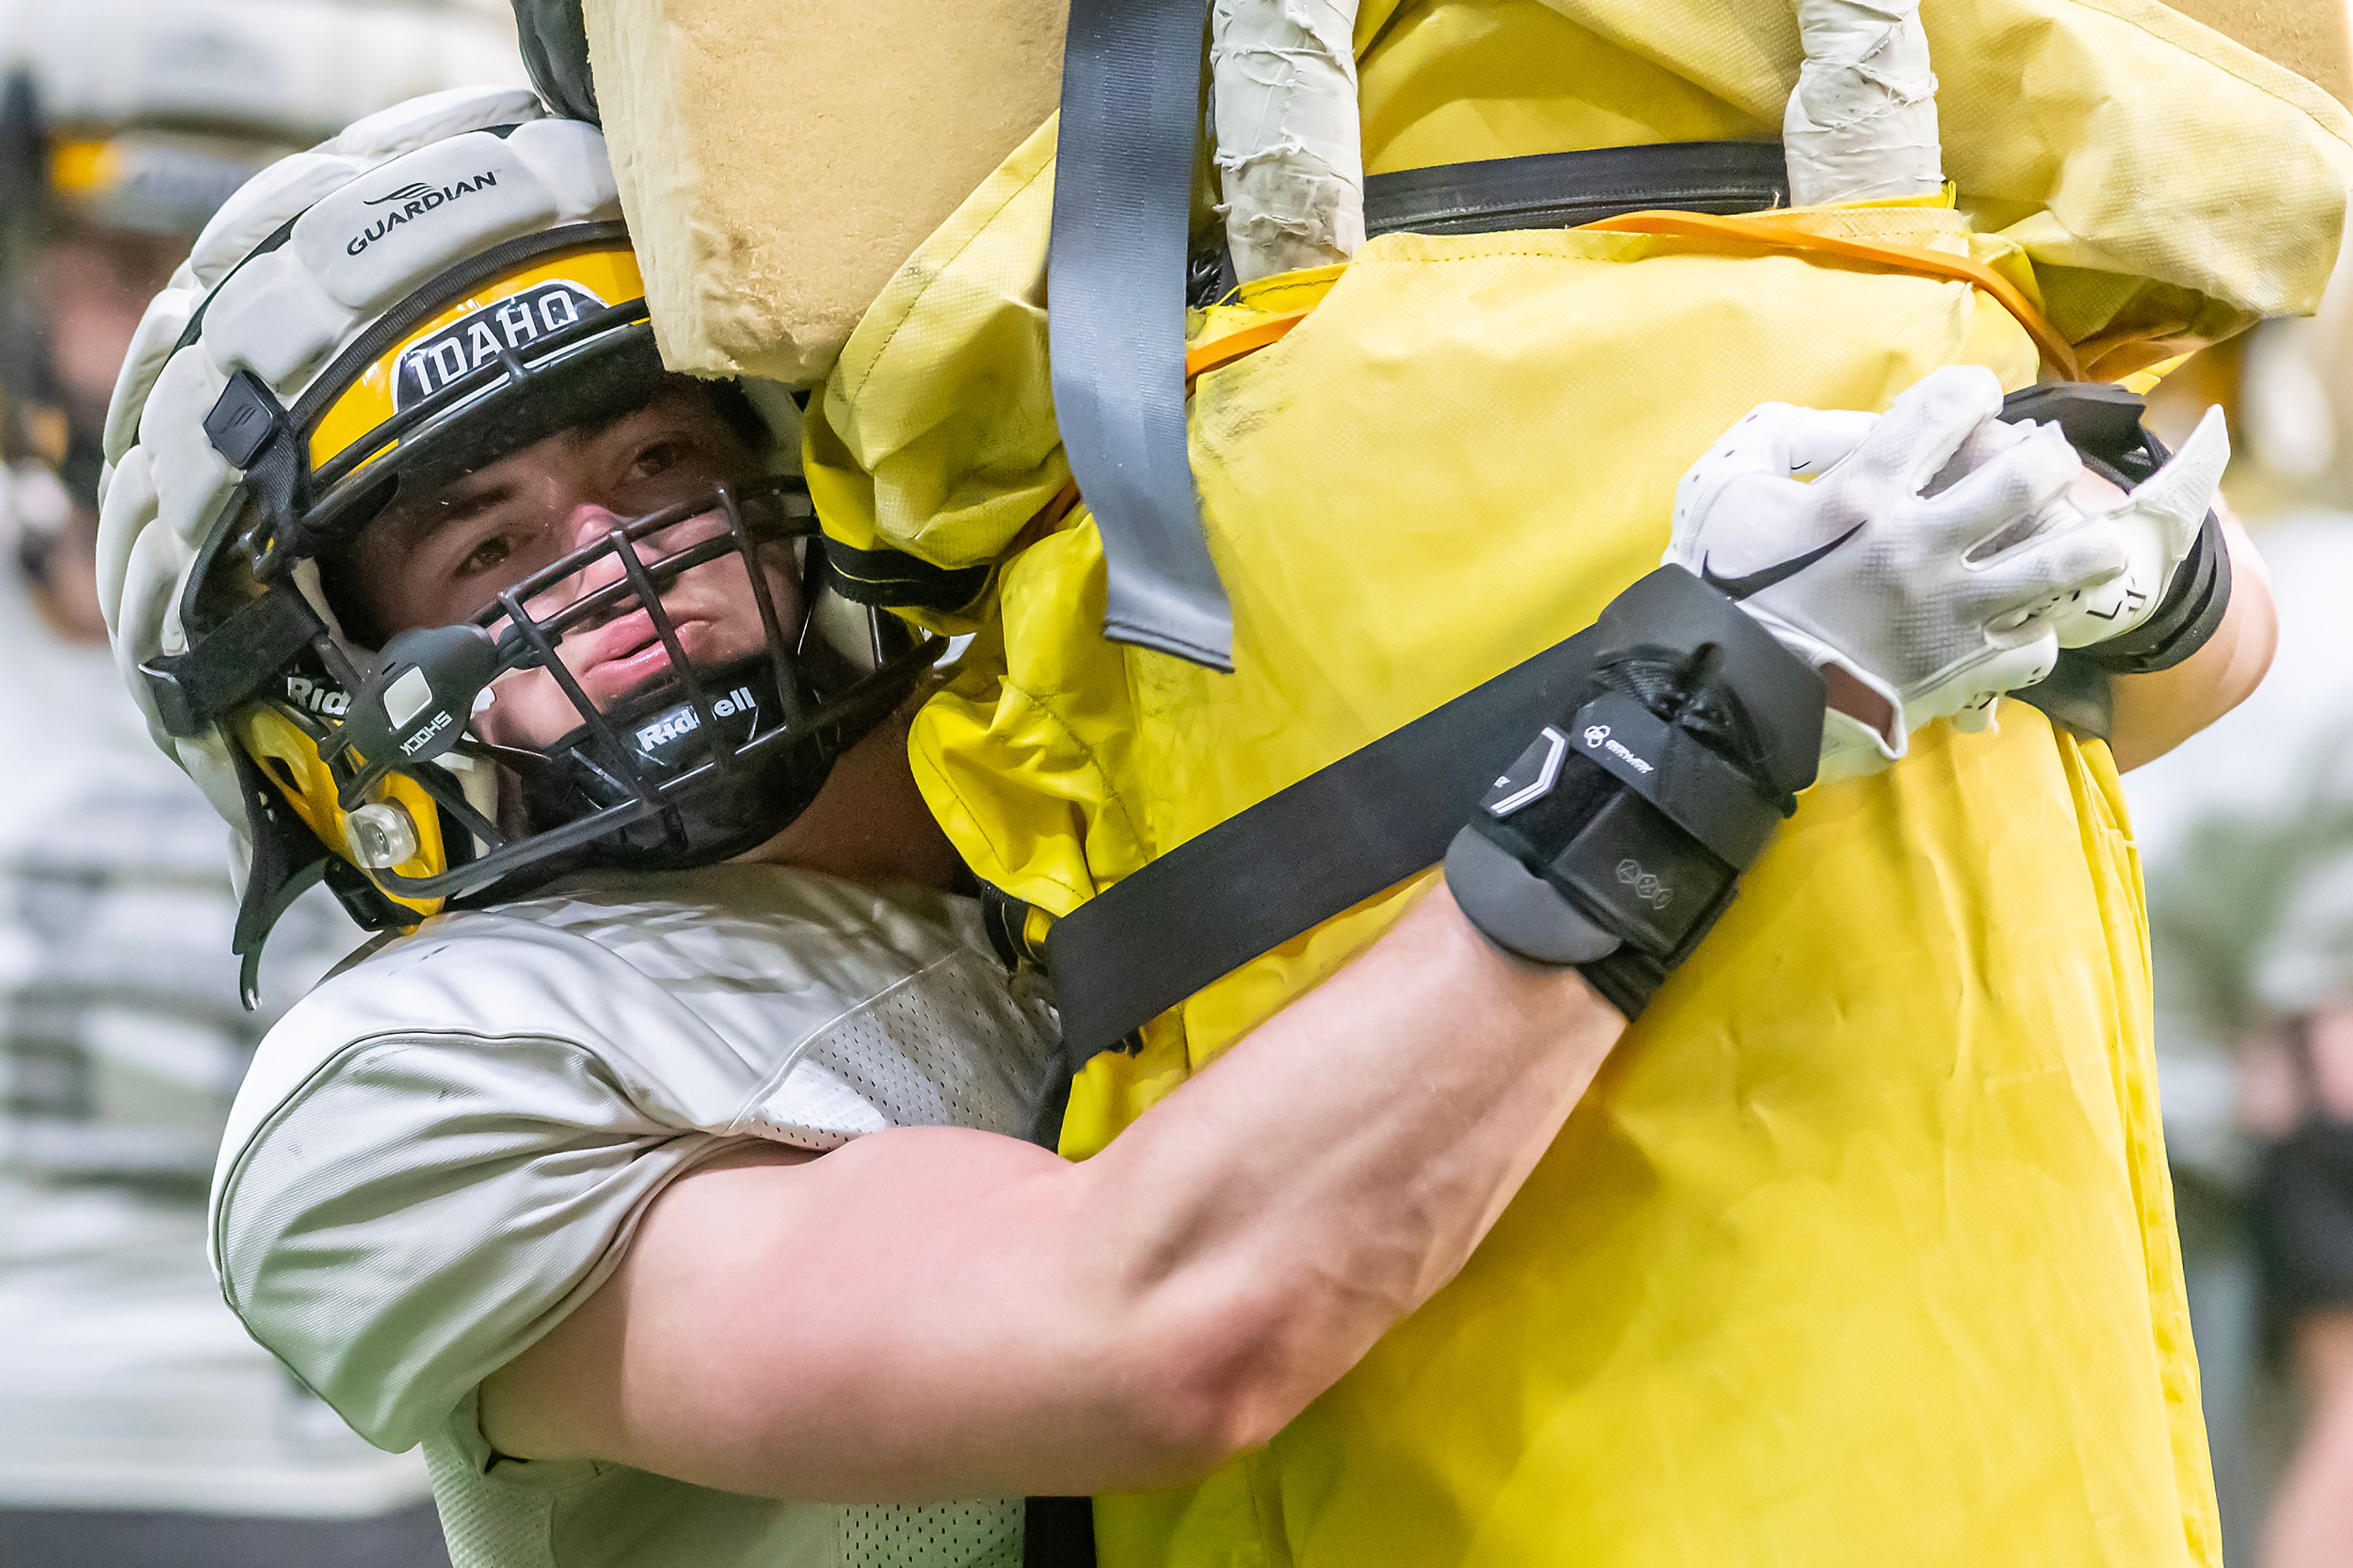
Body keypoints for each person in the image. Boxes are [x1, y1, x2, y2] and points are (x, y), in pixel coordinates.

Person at [94, 87, 2161, 1568]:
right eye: (492, 544)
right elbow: (1156, 1330)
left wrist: (2087, 553)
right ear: (321, 697)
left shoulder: (1036, 741)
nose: (624, 570)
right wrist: (1716, 713)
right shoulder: (400, 1098)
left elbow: (2123, 701)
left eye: (654, 464)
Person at [0, 5, 523, 1563]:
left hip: (357, 1466)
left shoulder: (486, 647)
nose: (165, 361)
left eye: (221, 302)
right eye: (119, 278)